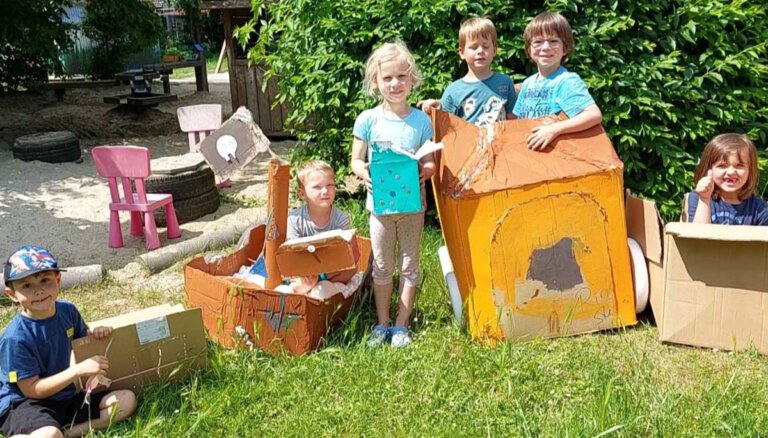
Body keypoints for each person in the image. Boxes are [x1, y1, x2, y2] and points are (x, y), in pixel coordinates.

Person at [0, 246, 136, 438]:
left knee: (126, 400)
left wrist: (96, 335)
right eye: (26, 286)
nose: (38, 290)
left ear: (58, 280)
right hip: (25, 404)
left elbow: (82, 344)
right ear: (12, 294)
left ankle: (66, 433)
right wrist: (76, 371)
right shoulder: (15, 338)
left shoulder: (67, 311)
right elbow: (32, 389)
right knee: (48, 434)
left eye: (45, 280)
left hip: (65, 394)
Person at [351, 41, 434, 348]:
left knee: (410, 265)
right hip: (380, 207)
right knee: (382, 266)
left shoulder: (421, 121)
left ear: (412, 79)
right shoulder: (368, 120)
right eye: (388, 78)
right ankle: (382, 323)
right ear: (376, 82)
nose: (395, 84)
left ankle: (402, 325)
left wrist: (426, 170)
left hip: (413, 206)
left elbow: (430, 161)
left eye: (402, 76)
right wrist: (364, 174)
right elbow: (356, 160)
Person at [513, 11, 603, 150]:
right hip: (530, 155)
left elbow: (593, 114)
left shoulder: (567, 81)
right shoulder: (528, 83)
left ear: (565, 48)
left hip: (555, 158)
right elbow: (517, 121)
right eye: (538, 42)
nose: (545, 47)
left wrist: (554, 129)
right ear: (529, 49)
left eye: (553, 41)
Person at [418, 17, 516, 125]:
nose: (480, 51)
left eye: (486, 46)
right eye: (474, 47)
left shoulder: (505, 83)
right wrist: (436, 108)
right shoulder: (453, 91)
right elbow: (445, 128)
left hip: (501, 140)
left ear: (494, 50)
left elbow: (513, 121)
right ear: (462, 52)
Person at [278, 160, 352, 296]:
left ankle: (322, 289)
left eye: (330, 185)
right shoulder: (294, 219)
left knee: (351, 270)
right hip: (304, 270)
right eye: (317, 187)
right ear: (302, 194)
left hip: (331, 269)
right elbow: (292, 252)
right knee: (296, 278)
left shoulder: (341, 218)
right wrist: (307, 272)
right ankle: (300, 291)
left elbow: (343, 253)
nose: (325, 191)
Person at [687, 133, 768, 225]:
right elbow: (697, 236)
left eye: (739, 166)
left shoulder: (760, 209)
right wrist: (704, 200)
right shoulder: (698, 198)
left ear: (750, 170)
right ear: (709, 169)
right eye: (722, 166)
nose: (731, 172)